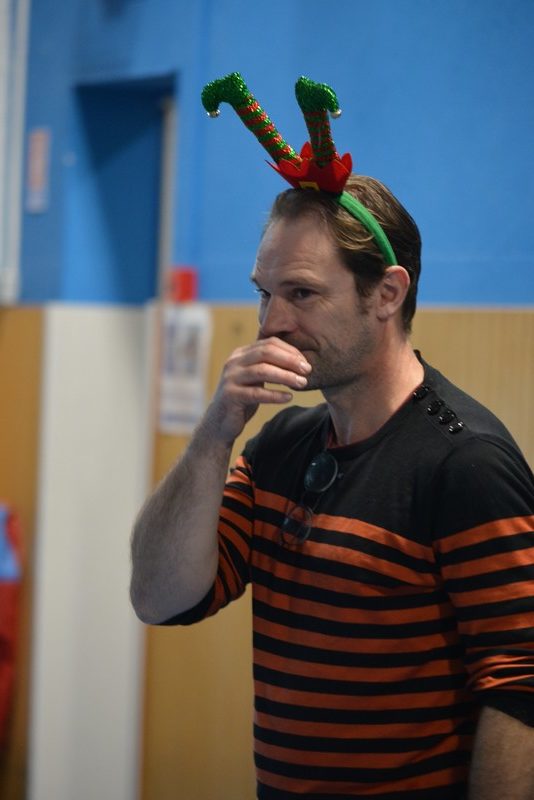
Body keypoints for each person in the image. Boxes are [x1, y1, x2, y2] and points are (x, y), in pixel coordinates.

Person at [130, 75, 534, 799]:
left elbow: (520, 692)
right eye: (265, 292)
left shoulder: (465, 461)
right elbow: (161, 597)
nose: (271, 323)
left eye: (302, 294)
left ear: (387, 294)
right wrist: (214, 435)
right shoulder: (280, 446)